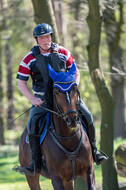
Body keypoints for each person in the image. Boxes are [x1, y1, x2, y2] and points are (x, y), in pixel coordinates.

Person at [17, 23, 108, 176]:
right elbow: (21, 83)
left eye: (48, 36)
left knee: (88, 116)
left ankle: (95, 152)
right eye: (41, 38)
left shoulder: (63, 52)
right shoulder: (29, 59)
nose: (45, 40)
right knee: (32, 123)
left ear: (51, 37)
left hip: (67, 99)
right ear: (36, 40)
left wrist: (74, 88)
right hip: (42, 101)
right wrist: (32, 99)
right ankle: (35, 162)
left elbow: (76, 72)